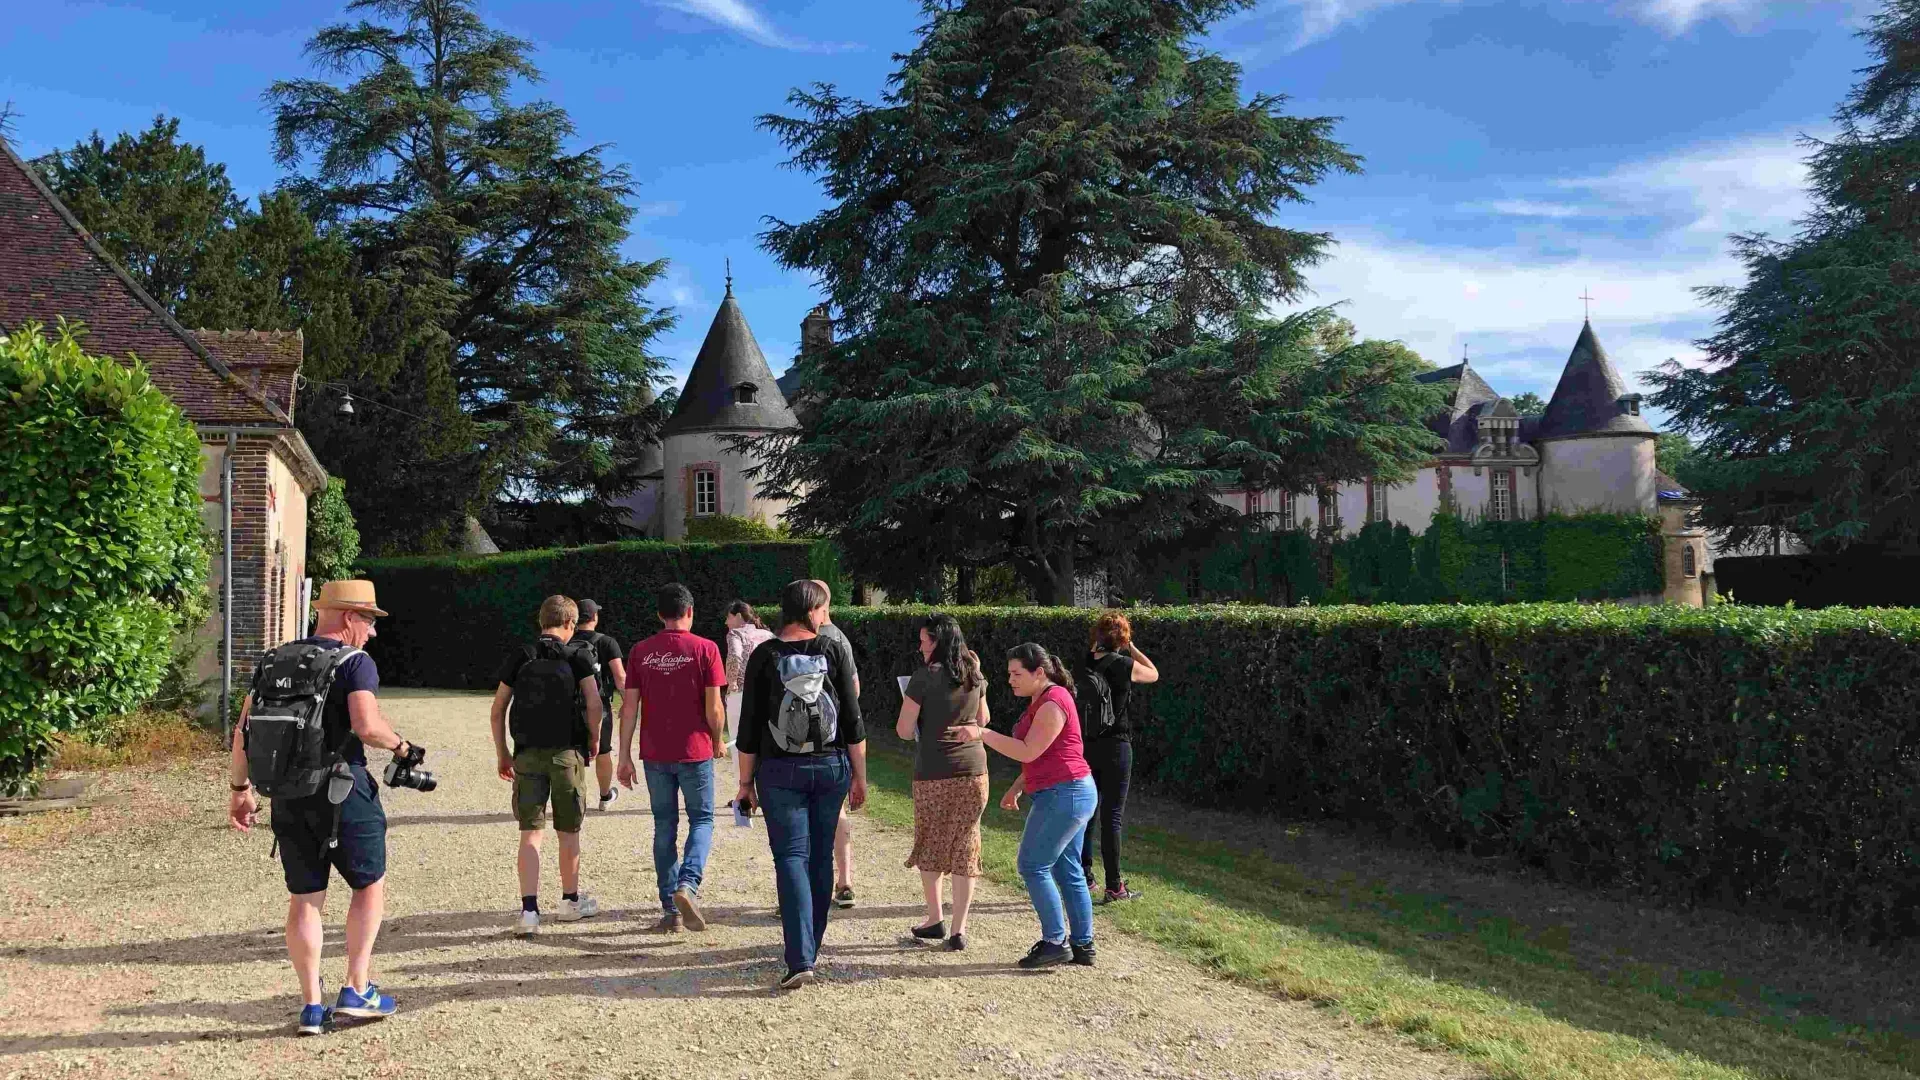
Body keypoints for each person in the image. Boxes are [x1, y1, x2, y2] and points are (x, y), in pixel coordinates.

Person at [226, 579, 407, 1035]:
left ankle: (310, 1006)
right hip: (344, 790)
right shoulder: (354, 663)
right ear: (348, 617)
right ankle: (357, 986)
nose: (372, 631)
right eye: (368, 620)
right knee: (369, 885)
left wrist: (240, 789)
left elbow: (243, 730)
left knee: (304, 899)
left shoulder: (273, 659)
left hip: (288, 793)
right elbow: (366, 726)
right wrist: (402, 746)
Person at [736, 579, 868, 989]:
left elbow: (749, 726)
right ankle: (813, 945)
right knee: (819, 857)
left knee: (790, 858)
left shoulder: (765, 655)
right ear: (813, 611)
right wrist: (860, 775)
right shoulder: (834, 649)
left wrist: (745, 783)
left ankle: (799, 958)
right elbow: (853, 720)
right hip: (830, 767)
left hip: (779, 772)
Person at [948, 643, 1097, 969]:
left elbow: (1028, 750)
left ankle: (1055, 942)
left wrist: (982, 733)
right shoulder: (1042, 700)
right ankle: (1083, 945)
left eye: (1017, 674)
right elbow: (1042, 755)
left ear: (1039, 673)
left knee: (1033, 865)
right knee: (1066, 869)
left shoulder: (1053, 702)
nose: (1011, 680)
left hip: (1066, 794)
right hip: (1068, 791)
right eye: (1009, 674)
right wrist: (1018, 787)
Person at [490, 595, 604, 936]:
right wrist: (594, 739)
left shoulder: (521, 656)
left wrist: (503, 753)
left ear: (541, 621)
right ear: (570, 624)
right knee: (568, 831)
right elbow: (594, 702)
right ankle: (570, 902)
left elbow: (497, 709)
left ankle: (529, 912)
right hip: (566, 753)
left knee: (530, 833)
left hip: (526, 753)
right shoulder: (578, 655)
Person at [617, 583, 728, 933]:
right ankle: (687, 885)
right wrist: (717, 739)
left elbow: (629, 707)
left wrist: (624, 756)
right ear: (690, 612)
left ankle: (670, 910)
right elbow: (714, 706)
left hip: (655, 753)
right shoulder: (706, 649)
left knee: (664, 825)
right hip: (694, 751)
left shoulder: (640, 651)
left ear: (659, 614)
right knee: (703, 819)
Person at [896, 613, 989, 951]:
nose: (920, 647)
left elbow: (904, 730)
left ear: (936, 641)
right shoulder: (974, 674)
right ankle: (959, 929)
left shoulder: (922, 679)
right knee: (966, 842)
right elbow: (983, 719)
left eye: (924, 640)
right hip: (974, 770)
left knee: (931, 840)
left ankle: (934, 917)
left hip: (934, 770)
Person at [1078, 610, 1159, 903]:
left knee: (1088, 811)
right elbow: (1154, 673)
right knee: (1112, 816)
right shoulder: (1126, 665)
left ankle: (1084, 877)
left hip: (1087, 745)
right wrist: (1132, 647)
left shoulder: (1084, 664)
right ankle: (1114, 886)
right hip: (1116, 745)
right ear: (1122, 640)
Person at [809, 579, 862, 909]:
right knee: (835, 811)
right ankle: (843, 881)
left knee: (821, 813)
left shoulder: (820, 639)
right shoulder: (838, 637)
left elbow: (851, 690)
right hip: (837, 737)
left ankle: (828, 884)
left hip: (822, 739)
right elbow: (854, 688)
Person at [575, 599, 627, 811]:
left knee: (573, 751)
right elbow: (620, 677)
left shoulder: (566, 640)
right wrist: (628, 703)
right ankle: (605, 797)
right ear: (594, 617)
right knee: (603, 751)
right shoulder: (607, 642)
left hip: (572, 705)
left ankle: (574, 798)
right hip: (600, 704)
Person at [723, 601, 775, 749]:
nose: (726, 622)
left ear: (738, 616)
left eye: (728, 617)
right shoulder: (769, 635)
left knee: (738, 740)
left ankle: (741, 772)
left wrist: (732, 682)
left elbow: (735, 656)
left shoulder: (735, 633)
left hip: (742, 692)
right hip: (768, 693)